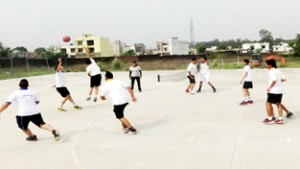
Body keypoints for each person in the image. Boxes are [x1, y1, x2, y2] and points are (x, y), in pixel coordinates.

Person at [263, 59, 285, 124]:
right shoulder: (278, 71)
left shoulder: (270, 71)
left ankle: (270, 118)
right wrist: (278, 83)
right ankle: (280, 119)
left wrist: (270, 87)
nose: (265, 65)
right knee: (278, 104)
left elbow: (274, 80)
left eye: (266, 64)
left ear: (270, 65)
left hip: (273, 91)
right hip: (279, 91)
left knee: (268, 103)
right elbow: (284, 79)